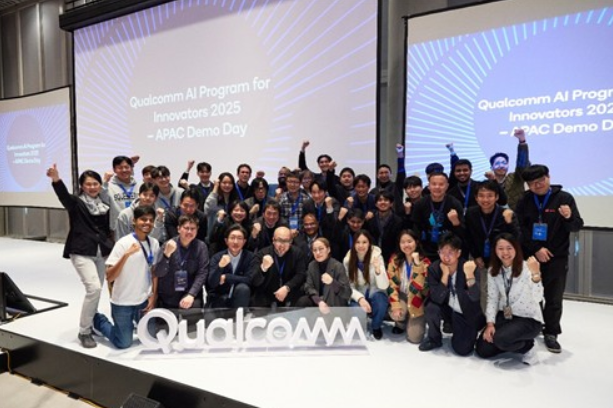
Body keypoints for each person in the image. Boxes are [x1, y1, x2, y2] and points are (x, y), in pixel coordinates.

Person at [516, 164, 583, 353]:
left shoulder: (564, 198)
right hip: (531, 256)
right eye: (532, 183)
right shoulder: (525, 200)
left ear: (549, 177)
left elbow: (576, 226)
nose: (537, 185)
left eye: (541, 181)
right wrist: (536, 249)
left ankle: (551, 332)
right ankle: (534, 325)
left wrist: (569, 217)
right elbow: (520, 228)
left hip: (556, 257)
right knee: (530, 294)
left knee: (553, 297)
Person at [47, 164, 114, 348]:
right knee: (94, 289)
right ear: (82, 186)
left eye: (95, 184)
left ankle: (92, 322)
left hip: (101, 251)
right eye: (88, 184)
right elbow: (63, 196)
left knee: (97, 290)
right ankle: (84, 331)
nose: (92, 187)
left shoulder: (103, 203)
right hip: (82, 250)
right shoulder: (76, 203)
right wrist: (56, 179)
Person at [93, 206, 160, 349]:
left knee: (150, 337)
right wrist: (126, 256)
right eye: (143, 219)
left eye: (150, 220)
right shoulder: (123, 243)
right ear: (134, 221)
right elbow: (110, 276)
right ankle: (98, 320)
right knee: (123, 343)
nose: (147, 223)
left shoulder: (154, 243)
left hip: (143, 301)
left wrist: (153, 296)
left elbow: (154, 272)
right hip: (123, 302)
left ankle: (132, 324)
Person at [475, 233, 543, 365]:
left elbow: (538, 297)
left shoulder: (528, 267)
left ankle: (528, 346)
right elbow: (492, 299)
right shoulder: (493, 271)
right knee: (483, 349)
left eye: (509, 248)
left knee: (501, 339)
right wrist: (490, 324)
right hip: (507, 316)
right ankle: (509, 342)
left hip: (528, 319)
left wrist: (536, 274)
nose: (505, 252)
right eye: (500, 248)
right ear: (495, 250)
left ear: (516, 249)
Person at [419, 233, 484, 356]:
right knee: (431, 307)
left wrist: (470, 276)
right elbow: (436, 297)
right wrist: (444, 275)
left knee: (462, 349)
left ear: (458, 253)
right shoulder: (434, 268)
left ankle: (458, 329)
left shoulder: (468, 267)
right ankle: (434, 339)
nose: (446, 257)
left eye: (450, 253)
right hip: (446, 306)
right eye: (442, 252)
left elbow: (475, 296)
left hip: (464, 311)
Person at [154, 214, 209, 309]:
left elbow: (202, 273)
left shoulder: (201, 247)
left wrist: (191, 294)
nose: (189, 231)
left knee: (195, 308)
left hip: (189, 291)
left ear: (197, 230)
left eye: (193, 228)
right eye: (186, 228)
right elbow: (158, 272)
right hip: (168, 293)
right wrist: (166, 255)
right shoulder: (168, 245)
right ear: (179, 229)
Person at [343, 230, 389, 339]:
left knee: (381, 302)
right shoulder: (347, 260)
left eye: (364, 242)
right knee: (356, 311)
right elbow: (349, 287)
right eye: (358, 242)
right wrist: (360, 299)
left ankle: (376, 326)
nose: (361, 245)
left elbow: (384, 286)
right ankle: (360, 324)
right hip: (358, 293)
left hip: (375, 291)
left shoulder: (377, 257)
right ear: (353, 244)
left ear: (369, 243)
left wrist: (378, 271)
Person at [387, 230, 431, 344]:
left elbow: (422, 287)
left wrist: (417, 264)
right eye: (403, 242)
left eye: (409, 241)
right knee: (397, 314)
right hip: (401, 295)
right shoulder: (394, 260)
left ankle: (414, 319)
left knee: (415, 338)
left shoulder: (425, 262)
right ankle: (401, 323)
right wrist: (395, 306)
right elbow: (391, 285)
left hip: (417, 299)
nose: (406, 245)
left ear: (416, 242)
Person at [411, 172, 465, 261]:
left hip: (449, 251)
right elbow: (416, 229)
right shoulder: (420, 204)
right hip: (426, 250)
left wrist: (456, 222)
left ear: (447, 186)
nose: (437, 187)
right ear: (429, 186)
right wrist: (418, 250)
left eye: (441, 184)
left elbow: (462, 233)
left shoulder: (455, 203)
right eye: (434, 184)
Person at [251, 226, 307, 308]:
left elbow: (301, 275)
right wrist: (263, 268)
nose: (282, 245)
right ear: (273, 240)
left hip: (290, 292)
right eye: (279, 240)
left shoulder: (297, 253)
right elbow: (254, 281)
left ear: (291, 241)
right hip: (267, 294)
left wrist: (287, 287)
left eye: (286, 241)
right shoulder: (262, 254)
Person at [206, 225, 257, 309]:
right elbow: (212, 283)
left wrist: (227, 277)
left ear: (244, 241)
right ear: (226, 241)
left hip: (240, 298)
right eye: (232, 238)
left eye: (239, 238)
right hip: (219, 298)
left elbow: (250, 280)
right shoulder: (217, 257)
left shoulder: (250, 257)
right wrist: (220, 266)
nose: (235, 242)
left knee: (243, 288)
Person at [296, 238, 352, 312]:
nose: (318, 252)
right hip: (319, 302)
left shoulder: (338, 266)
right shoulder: (312, 265)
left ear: (328, 250)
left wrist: (332, 282)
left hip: (334, 304)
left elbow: (347, 293)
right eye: (315, 250)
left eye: (321, 249)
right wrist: (319, 302)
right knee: (303, 301)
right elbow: (308, 287)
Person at [485, 128, 530, 210]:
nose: (501, 166)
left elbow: (522, 164)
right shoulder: (486, 184)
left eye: (504, 163)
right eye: (497, 163)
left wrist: (522, 142)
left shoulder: (515, 177)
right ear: (491, 167)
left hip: (516, 216)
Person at [365, 190, 404, 262]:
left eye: (386, 200)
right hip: (373, 256)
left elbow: (398, 241)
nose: (383, 202)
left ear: (391, 204)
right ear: (376, 204)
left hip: (391, 257)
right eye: (380, 200)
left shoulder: (398, 221)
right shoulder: (370, 219)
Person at [104, 155, 140, 233]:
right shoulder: (108, 186)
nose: (124, 170)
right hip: (117, 229)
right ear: (114, 170)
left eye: (127, 167)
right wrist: (105, 181)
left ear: (131, 168)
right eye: (120, 168)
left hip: (138, 228)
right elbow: (103, 201)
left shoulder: (139, 186)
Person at [204, 172, 239, 237]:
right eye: (224, 183)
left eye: (230, 183)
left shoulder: (235, 199)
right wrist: (215, 186)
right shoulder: (214, 197)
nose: (227, 185)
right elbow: (208, 208)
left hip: (231, 235)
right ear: (219, 183)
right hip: (214, 235)